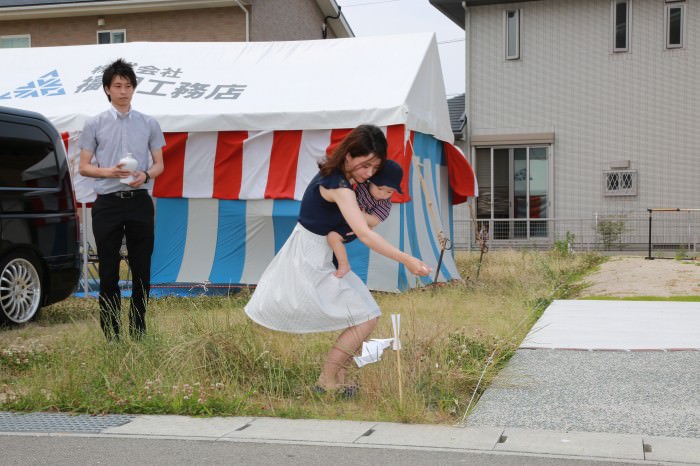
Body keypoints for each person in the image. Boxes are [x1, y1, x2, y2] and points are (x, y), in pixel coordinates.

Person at [244, 125, 430, 394]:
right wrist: (408, 260)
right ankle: (327, 381)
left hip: (320, 255)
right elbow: (365, 234)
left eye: (373, 168)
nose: (368, 173)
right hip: (308, 258)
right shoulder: (338, 185)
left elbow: (366, 222)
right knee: (365, 316)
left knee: (364, 313)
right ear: (348, 155)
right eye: (364, 165)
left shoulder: (343, 180)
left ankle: (339, 379)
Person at [78, 58, 165, 341]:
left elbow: (159, 164)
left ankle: (139, 330)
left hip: (139, 200)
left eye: (128, 85)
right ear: (107, 89)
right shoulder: (94, 124)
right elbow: (83, 167)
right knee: (108, 270)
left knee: (142, 268)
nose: (123, 90)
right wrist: (109, 171)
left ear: (134, 89)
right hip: (107, 202)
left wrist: (146, 176)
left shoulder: (149, 123)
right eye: (118, 85)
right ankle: (112, 334)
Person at [327, 159, 403, 279]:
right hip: (341, 216)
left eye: (389, 192)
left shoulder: (385, 204)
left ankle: (343, 264)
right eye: (380, 188)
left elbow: (374, 220)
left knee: (333, 237)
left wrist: (357, 214)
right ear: (370, 181)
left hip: (355, 226)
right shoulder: (361, 185)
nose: (383, 194)